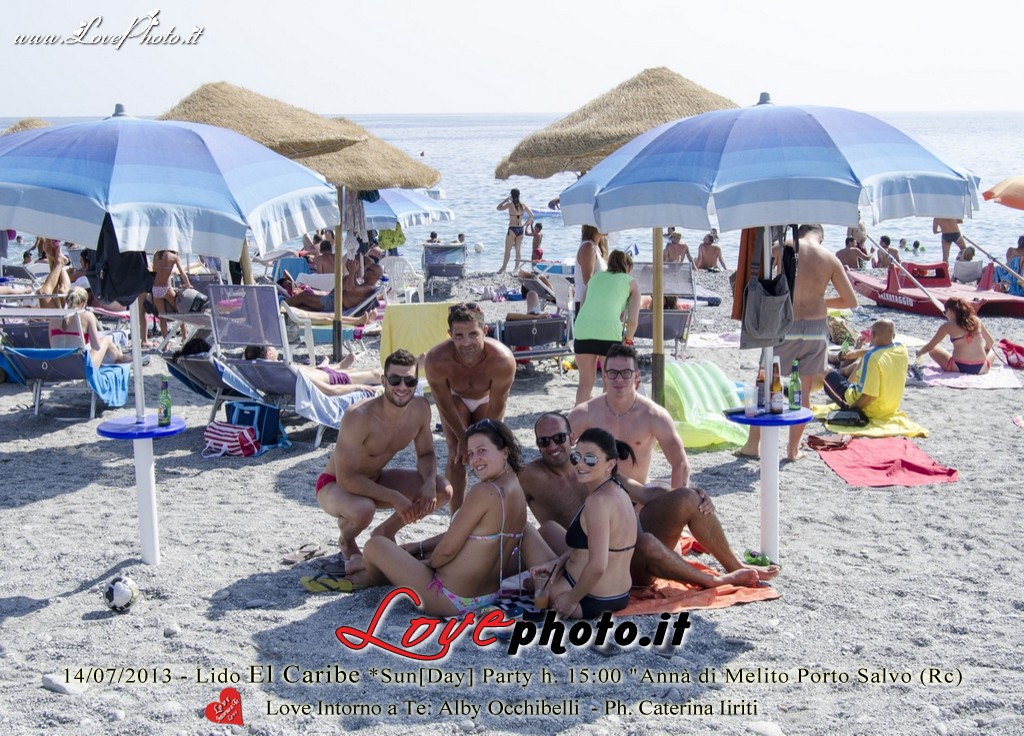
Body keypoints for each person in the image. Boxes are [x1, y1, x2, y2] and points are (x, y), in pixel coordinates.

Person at [520, 413, 777, 590]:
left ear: (571, 437)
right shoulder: (529, 477)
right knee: (646, 543)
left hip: (627, 537)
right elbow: (505, 506)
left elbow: (643, 493)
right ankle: (715, 582)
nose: (552, 446)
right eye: (544, 441)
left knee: (688, 497)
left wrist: (695, 495)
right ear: (537, 445)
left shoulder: (592, 462)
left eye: (558, 438)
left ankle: (734, 566)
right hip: (602, 561)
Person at [301, 349, 452, 589]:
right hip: (335, 484)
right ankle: (347, 540)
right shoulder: (359, 416)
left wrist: (429, 481)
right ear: (383, 380)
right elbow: (347, 478)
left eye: (409, 381)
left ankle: (384, 532)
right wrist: (395, 498)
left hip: (375, 478)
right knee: (364, 509)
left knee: (443, 490)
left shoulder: (420, 408)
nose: (402, 387)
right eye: (395, 380)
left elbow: (425, 454)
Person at [339, 420, 528, 611]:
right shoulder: (517, 489)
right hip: (487, 595)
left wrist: (427, 563)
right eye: (471, 454)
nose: (475, 460)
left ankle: (371, 576)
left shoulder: (484, 491)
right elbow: (475, 535)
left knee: (375, 545)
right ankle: (372, 567)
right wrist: (419, 547)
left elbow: (445, 552)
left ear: (505, 451)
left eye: (482, 451)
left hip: (447, 598)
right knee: (417, 552)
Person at [737, 224, 859, 461]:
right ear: (821, 237)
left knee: (765, 383)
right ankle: (792, 451)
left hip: (785, 321)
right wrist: (820, 301)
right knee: (803, 394)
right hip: (815, 328)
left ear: (799, 231)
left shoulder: (782, 247)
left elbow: (758, 274)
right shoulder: (830, 259)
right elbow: (850, 300)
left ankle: (753, 445)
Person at [529, 428, 637, 618]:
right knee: (549, 528)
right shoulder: (618, 490)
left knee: (526, 532)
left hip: (588, 599)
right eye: (576, 457)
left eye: (590, 459)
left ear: (610, 464)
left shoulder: (597, 502)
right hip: (620, 595)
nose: (580, 464)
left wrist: (571, 599)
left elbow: (598, 565)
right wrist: (558, 561)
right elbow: (600, 545)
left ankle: (487, 587)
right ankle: (540, 579)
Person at [424, 302, 517, 512]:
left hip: (487, 401)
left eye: (473, 334)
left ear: (484, 331)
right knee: (456, 456)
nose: (466, 342)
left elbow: (497, 406)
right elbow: (443, 403)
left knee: (490, 453)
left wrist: (478, 441)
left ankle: (493, 510)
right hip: (456, 400)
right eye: (459, 336)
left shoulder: (502, 360)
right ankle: (456, 516)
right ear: (450, 335)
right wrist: (462, 438)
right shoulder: (436, 360)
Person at [569, 343, 691, 488]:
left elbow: (680, 464)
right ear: (605, 377)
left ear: (636, 376)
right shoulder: (585, 413)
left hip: (639, 495)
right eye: (613, 373)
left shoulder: (654, 415)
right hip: (596, 494)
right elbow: (556, 453)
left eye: (626, 373)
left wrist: (677, 498)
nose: (619, 379)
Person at [572, 249, 640, 405]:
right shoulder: (631, 282)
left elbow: (583, 306)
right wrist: (628, 340)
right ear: (629, 267)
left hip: (583, 329)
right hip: (609, 333)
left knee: (585, 383)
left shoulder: (595, 277)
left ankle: (578, 419)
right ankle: (603, 417)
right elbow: (633, 321)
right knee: (608, 383)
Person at [823, 319, 908, 421]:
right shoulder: (902, 349)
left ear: (873, 335)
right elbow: (882, 348)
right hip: (889, 409)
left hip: (867, 410)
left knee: (825, 371)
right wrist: (856, 353)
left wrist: (850, 412)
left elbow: (869, 396)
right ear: (893, 336)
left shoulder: (872, 358)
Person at [242, 345, 383, 396]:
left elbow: (309, 373)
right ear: (269, 354)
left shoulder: (274, 373)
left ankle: (338, 366)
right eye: (271, 346)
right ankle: (338, 367)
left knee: (354, 370)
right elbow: (331, 390)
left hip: (323, 373)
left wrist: (326, 366)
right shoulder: (287, 370)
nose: (274, 346)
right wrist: (358, 387)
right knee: (375, 374)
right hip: (334, 379)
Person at [48, 287, 131, 369]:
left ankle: (120, 358)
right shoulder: (87, 316)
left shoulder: (53, 319)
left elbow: (53, 346)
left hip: (59, 367)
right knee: (106, 340)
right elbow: (96, 346)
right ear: (84, 303)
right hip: (81, 367)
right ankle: (120, 359)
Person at [916, 297, 995, 375]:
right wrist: (983, 351)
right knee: (991, 351)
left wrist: (919, 352)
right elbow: (990, 342)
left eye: (945, 312)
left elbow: (930, 346)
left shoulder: (947, 326)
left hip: (958, 367)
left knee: (933, 349)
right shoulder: (977, 321)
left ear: (950, 311)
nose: (945, 315)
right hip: (981, 368)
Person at [496, 189, 533, 273]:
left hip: (512, 229)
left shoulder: (510, 205)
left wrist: (505, 200)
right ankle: (516, 268)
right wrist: (525, 224)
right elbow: (531, 215)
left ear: (511, 195)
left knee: (507, 250)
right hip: (520, 229)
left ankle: (503, 268)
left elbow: (498, 208)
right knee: (518, 250)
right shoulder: (523, 204)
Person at [573, 224, 608, 312]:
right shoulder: (588, 247)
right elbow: (589, 281)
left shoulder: (596, 247)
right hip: (586, 305)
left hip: (593, 302)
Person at [151, 250, 191, 317]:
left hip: (156, 288)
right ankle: (182, 324)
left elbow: (154, 270)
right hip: (166, 288)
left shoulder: (156, 254)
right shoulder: (174, 257)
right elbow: (182, 273)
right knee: (180, 312)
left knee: (162, 317)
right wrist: (188, 284)